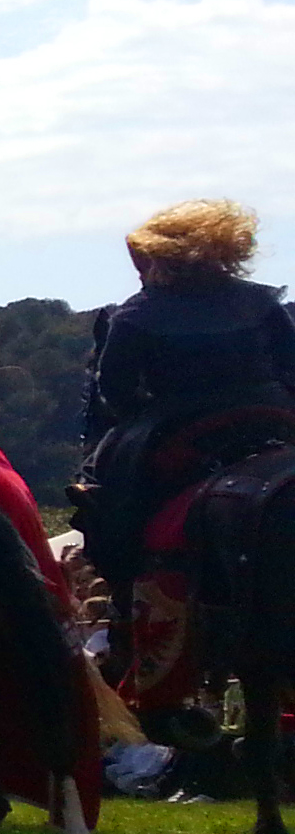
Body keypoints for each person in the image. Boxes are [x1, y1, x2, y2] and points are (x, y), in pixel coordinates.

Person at [72, 200, 295, 615]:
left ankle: (125, 589)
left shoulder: (137, 314)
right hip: (274, 416)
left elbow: (115, 392)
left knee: (107, 495)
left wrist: (142, 413)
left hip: (175, 423)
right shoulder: (261, 302)